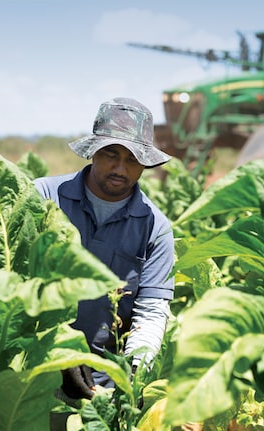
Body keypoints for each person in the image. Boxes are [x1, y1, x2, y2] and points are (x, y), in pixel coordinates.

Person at [33, 97, 175, 422]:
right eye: (111, 154)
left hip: (98, 388)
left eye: (133, 159)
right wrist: (59, 347)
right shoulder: (42, 198)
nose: (120, 168)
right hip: (29, 371)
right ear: (94, 151)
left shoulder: (155, 227)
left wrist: (135, 371)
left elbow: (151, 312)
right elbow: (10, 282)